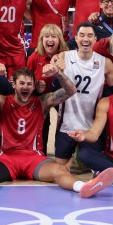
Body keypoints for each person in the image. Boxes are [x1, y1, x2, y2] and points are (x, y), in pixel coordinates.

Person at [0, 63, 113, 199]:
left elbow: (71, 91)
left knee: (60, 170)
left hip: (33, 158)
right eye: (21, 83)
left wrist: (58, 72)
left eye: (29, 83)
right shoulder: (3, 101)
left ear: (34, 85)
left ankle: (83, 187)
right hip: (7, 157)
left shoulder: (41, 102)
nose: (25, 87)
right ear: (14, 84)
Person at [54, 22, 113, 170]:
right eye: (82, 35)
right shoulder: (64, 57)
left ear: (95, 39)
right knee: (60, 170)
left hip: (91, 127)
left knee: (92, 164)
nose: (86, 39)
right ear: (75, 38)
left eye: (90, 35)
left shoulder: (105, 63)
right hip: (66, 125)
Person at [26, 24, 69, 153]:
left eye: (54, 37)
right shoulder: (34, 57)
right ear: (41, 40)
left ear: (60, 40)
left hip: (62, 97)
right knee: (43, 123)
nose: (50, 40)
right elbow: (26, 80)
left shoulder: (67, 56)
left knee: (64, 123)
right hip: (41, 98)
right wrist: (35, 85)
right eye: (46, 37)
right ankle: (41, 153)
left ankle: (63, 153)